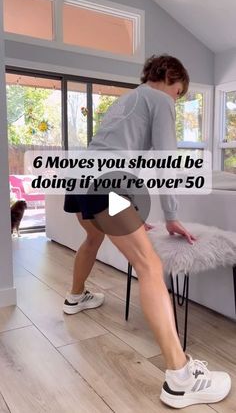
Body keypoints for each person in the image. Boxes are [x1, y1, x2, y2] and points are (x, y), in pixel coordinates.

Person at [63, 55, 231, 408]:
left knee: (92, 237)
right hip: (107, 183)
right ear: (169, 77)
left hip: (81, 177)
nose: (176, 99)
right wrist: (171, 215)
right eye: (178, 92)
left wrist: (132, 215)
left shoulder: (127, 99)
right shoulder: (158, 100)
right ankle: (180, 377)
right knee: (151, 267)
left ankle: (75, 297)